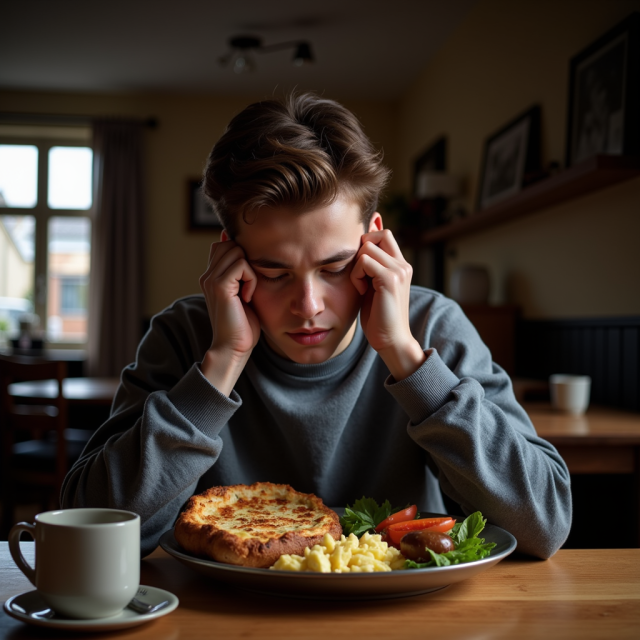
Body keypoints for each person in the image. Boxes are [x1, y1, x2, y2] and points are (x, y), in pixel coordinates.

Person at [61, 93, 571, 559]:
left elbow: (543, 526)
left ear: (374, 243)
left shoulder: (433, 326)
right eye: (274, 272)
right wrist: (221, 364)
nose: (308, 305)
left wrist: (407, 360)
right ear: (228, 256)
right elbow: (89, 531)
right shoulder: (183, 337)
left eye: (334, 269)